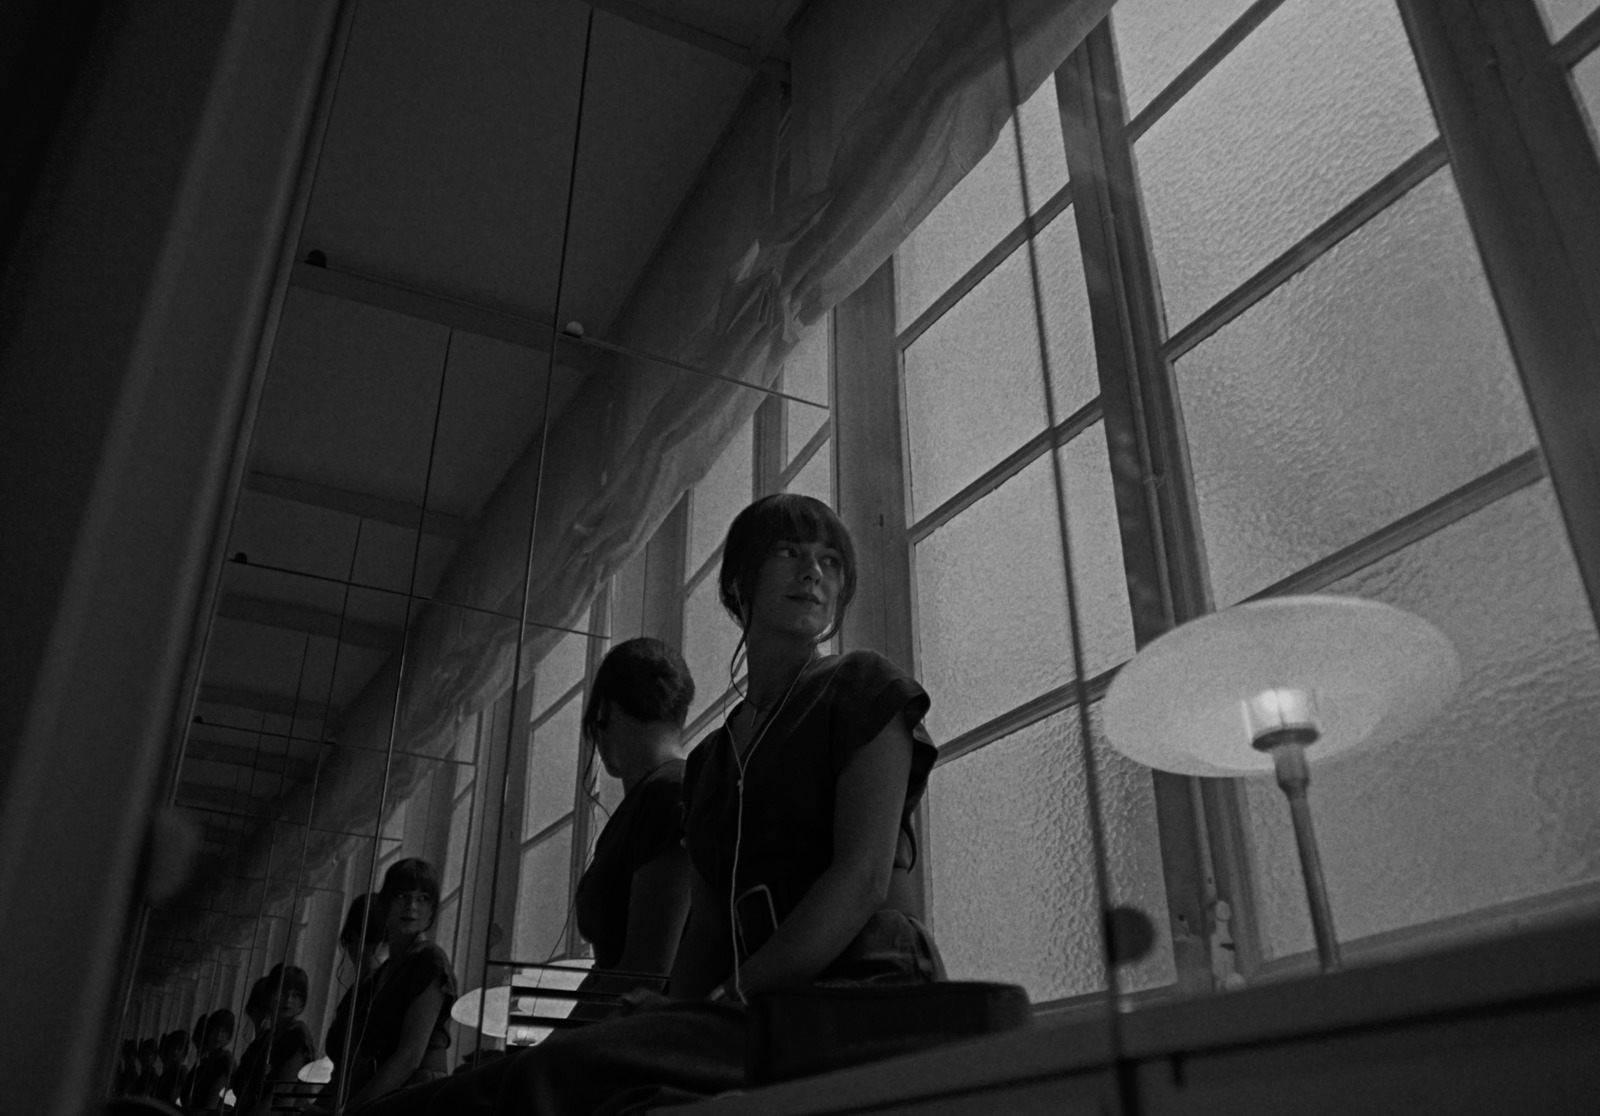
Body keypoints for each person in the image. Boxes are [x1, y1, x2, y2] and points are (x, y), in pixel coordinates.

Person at [361, 493, 943, 1115]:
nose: (813, 571)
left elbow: (861, 879)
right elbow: (712, 928)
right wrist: (678, 1012)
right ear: (740, 582)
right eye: (788, 552)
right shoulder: (713, 762)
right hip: (760, 1010)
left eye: (831, 560)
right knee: (474, 1091)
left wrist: (722, 1002)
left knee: (552, 1080)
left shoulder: (863, 687)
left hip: (867, 989)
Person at [569, 637, 696, 1016]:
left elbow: (645, 973)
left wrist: (555, 1049)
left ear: (605, 710)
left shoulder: (667, 795)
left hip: (644, 1040)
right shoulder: (652, 800)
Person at [313, 860, 457, 1111]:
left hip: (417, 1096)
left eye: (422, 898)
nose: (411, 907)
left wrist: (351, 1108)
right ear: (385, 903)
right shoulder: (382, 975)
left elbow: (410, 1056)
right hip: (385, 1096)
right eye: (402, 896)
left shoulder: (428, 958)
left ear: (432, 910)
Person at [234, 964, 315, 1116]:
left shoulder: (298, 1036)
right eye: (283, 992)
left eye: (296, 995)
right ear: (270, 994)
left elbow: (282, 1093)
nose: (288, 1000)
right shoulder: (269, 1036)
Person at [185, 1009, 236, 1114]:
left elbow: (212, 1104)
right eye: (216, 1030)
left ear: (229, 1037)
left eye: (224, 1032)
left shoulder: (224, 1063)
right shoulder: (205, 1064)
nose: (218, 1036)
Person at [151, 1029, 190, 1104]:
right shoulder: (166, 1074)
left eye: (179, 1049)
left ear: (184, 1052)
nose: (175, 1051)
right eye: (173, 1048)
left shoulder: (181, 1073)